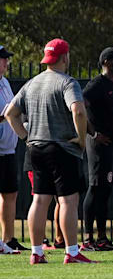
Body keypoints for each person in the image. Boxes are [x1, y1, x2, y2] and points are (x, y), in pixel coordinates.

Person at [4, 38, 93, 264]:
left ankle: (36, 252)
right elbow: (79, 112)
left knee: (40, 200)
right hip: (62, 148)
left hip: (36, 147)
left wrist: (25, 136)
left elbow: (10, 113)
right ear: (65, 57)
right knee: (67, 201)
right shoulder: (67, 82)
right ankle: (72, 252)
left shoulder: (32, 83)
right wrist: (82, 139)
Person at [81, 46, 113, 251]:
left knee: (105, 190)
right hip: (99, 146)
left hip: (112, 146)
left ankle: (101, 238)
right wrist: (92, 133)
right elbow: (79, 104)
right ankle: (88, 238)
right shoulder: (97, 84)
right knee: (96, 187)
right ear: (107, 62)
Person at [0, 44, 17, 254]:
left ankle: (9, 239)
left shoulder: (4, 82)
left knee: (10, 193)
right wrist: (9, 115)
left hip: (8, 148)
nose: (5, 62)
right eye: (2, 58)